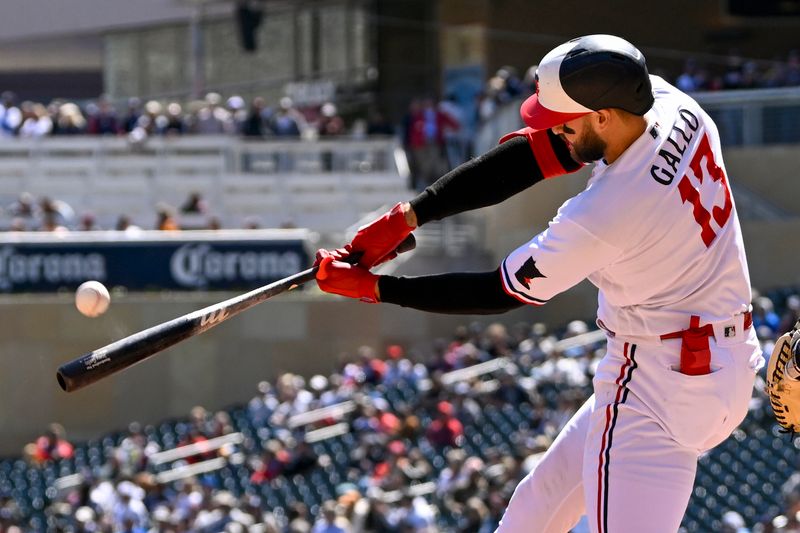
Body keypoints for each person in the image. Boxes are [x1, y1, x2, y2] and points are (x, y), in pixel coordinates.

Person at [313, 34, 763, 532]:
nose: (556, 132)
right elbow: (532, 156)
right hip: (730, 364)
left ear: (601, 116)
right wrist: (411, 215)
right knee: (533, 512)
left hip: (654, 385)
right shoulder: (676, 107)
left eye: (564, 121)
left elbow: (498, 293)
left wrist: (379, 290)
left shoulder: (603, 213)